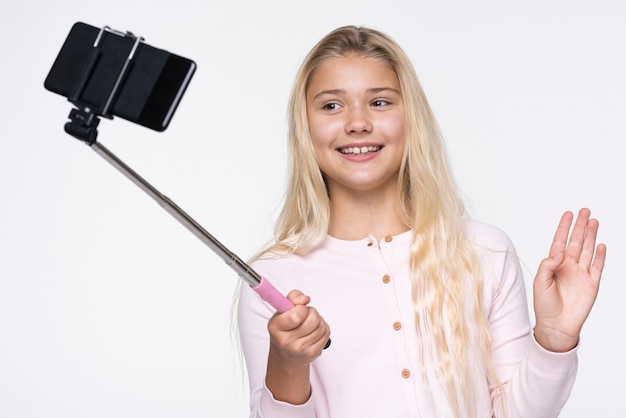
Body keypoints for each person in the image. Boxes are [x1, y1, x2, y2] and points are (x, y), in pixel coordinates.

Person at [236, 25, 606, 418]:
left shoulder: (485, 251)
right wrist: (288, 366)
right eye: (331, 105)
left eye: (379, 102)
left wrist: (553, 341)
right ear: (305, 128)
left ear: (411, 117)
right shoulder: (273, 277)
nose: (357, 123)